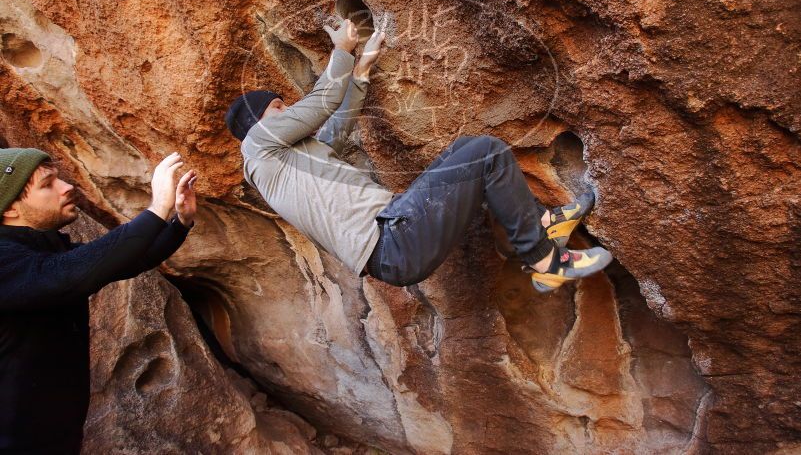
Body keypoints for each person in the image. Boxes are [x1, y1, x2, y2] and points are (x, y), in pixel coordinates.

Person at [225, 19, 611, 294]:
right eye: (279, 107)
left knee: (465, 151)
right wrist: (340, 50)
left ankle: (538, 222)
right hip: (392, 239)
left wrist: (360, 71)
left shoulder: (290, 160)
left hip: (396, 238)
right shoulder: (257, 145)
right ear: (259, 120)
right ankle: (545, 262)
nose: (287, 109)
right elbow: (320, 104)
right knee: (487, 153)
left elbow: (336, 127)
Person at [0, 148, 197, 453]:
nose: (66, 187)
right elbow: (71, 273)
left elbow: (120, 261)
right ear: (10, 209)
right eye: (48, 183)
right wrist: (156, 208)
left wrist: (178, 222)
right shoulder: (6, 262)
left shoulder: (42, 252)